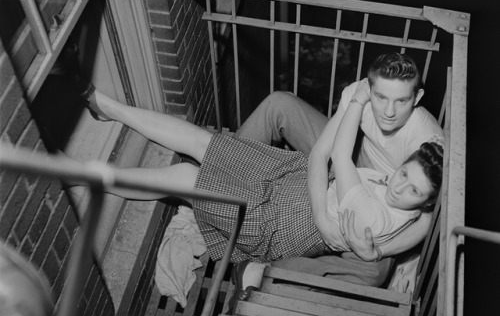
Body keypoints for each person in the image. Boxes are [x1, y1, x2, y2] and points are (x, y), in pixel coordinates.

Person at [73, 77, 442, 268]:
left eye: (413, 191)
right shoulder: (393, 183)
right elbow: (325, 160)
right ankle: (113, 109)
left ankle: (90, 174)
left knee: (188, 178)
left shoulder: (374, 216)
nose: (400, 186)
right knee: (201, 140)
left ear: (426, 203)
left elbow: (341, 159)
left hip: (280, 223)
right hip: (291, 179)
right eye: (404, 174)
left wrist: (359, 98)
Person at [235, 52, 444, 285]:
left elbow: (427, 220)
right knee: (279, 104)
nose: (389, 111)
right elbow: (321, 152)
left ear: (417, 97)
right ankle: (219, 176)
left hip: (388, 200)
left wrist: (379, 252)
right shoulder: (360, 94)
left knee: (372, 274)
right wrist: (321, 217)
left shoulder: (427, 139)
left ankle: (266, 273)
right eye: (381, 97)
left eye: (401, 101)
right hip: (349, 157)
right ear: (370, 88)